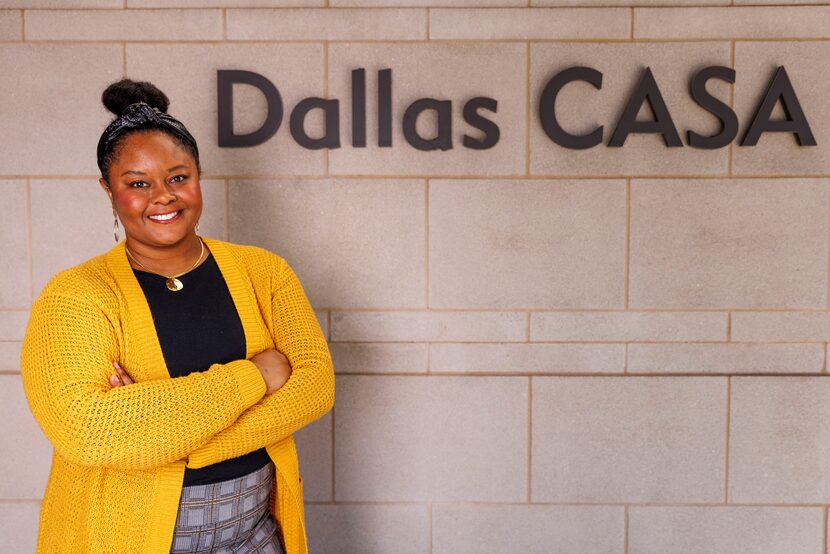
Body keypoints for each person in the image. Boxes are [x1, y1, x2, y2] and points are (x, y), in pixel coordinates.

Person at [19, 78, 335, 554]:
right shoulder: (76, 295)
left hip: (255, 536)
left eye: (178, 177)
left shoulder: (263, 272)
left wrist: (173, 436)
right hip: (128, 538)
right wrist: (255, 376)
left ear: (198, 176)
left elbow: (315, 386)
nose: (162, 196)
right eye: (138, 183)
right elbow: (88, 431)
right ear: (108, 189)